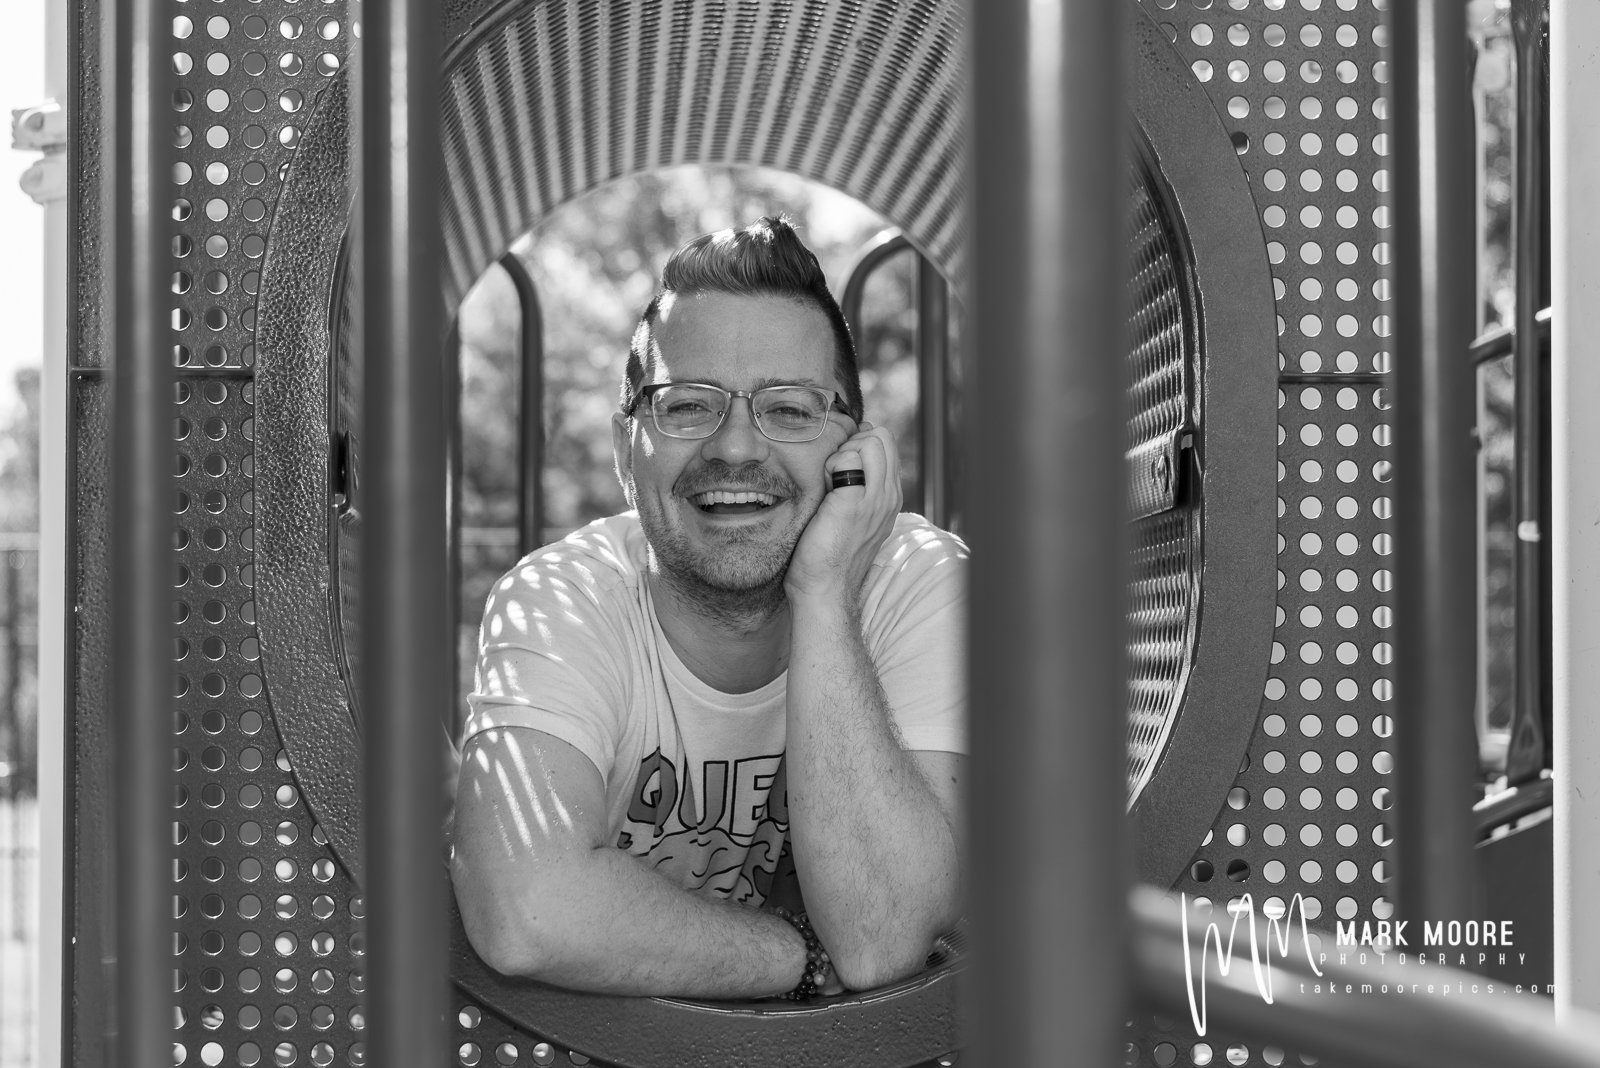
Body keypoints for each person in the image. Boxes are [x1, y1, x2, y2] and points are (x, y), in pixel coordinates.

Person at [450, 215, 966, 1001]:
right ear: (628, 450)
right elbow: (529, 911)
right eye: (688, 406)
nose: (734, 448)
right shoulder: (557, 597)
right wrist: (799, 957)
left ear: (854, 452)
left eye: (789, 409)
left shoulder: (920, 583)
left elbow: (884, 935)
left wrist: (823, 593)